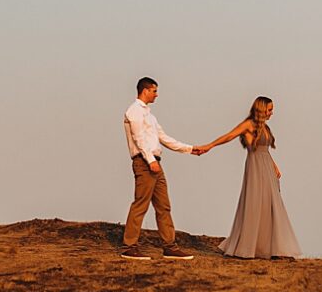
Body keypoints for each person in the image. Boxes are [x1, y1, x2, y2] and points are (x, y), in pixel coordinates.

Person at [194, 95, 301, 259]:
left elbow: (265, 150)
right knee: (254, 203)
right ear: (261, 108)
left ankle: (271, 248)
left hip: (267, 167)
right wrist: (209, 146)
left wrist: (274, 166)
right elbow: (229, 136)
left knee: (270, 204)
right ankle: (247, 247)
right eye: (270, 109)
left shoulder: (265, 127)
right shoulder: (249, 124)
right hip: (255, 166)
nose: (272, 113)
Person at [122, 79, 198, 260]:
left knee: (164, 206)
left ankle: (169, 246)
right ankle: (129, 246)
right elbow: (138, 138)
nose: (156, 94)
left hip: (155, 162)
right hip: (145, 162)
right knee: (141, 203)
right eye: (154, 91)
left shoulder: (151, 116)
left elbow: (163, 137)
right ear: (145, 90)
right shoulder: (134, 111)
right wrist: (149, 160)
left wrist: (190, 149)